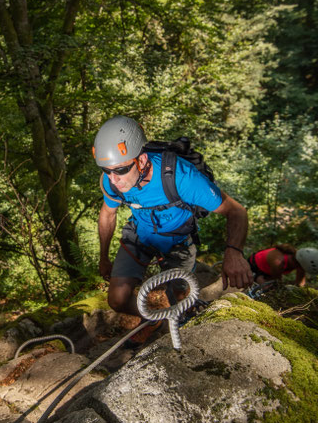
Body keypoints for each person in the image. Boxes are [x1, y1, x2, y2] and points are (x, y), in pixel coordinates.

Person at [94, 116, 251, 331]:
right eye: (106, 170)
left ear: (141, 160)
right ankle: (154, 319)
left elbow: (236, 210)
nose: (113, 179)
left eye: (120, 170)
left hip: (178, 241)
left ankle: (176, 321)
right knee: (117, 300)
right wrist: (103, 257)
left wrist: (233, 253)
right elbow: (107, 214)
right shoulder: (112, 182)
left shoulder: (181, 177)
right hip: (139, 235)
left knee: (180, 301)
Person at [248, 245, 318, 288]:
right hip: (254, 268)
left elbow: (300, 284)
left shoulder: (298, 260)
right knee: (268, 289)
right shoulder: (278, 262)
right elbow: (277, 283)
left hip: (268, 270)